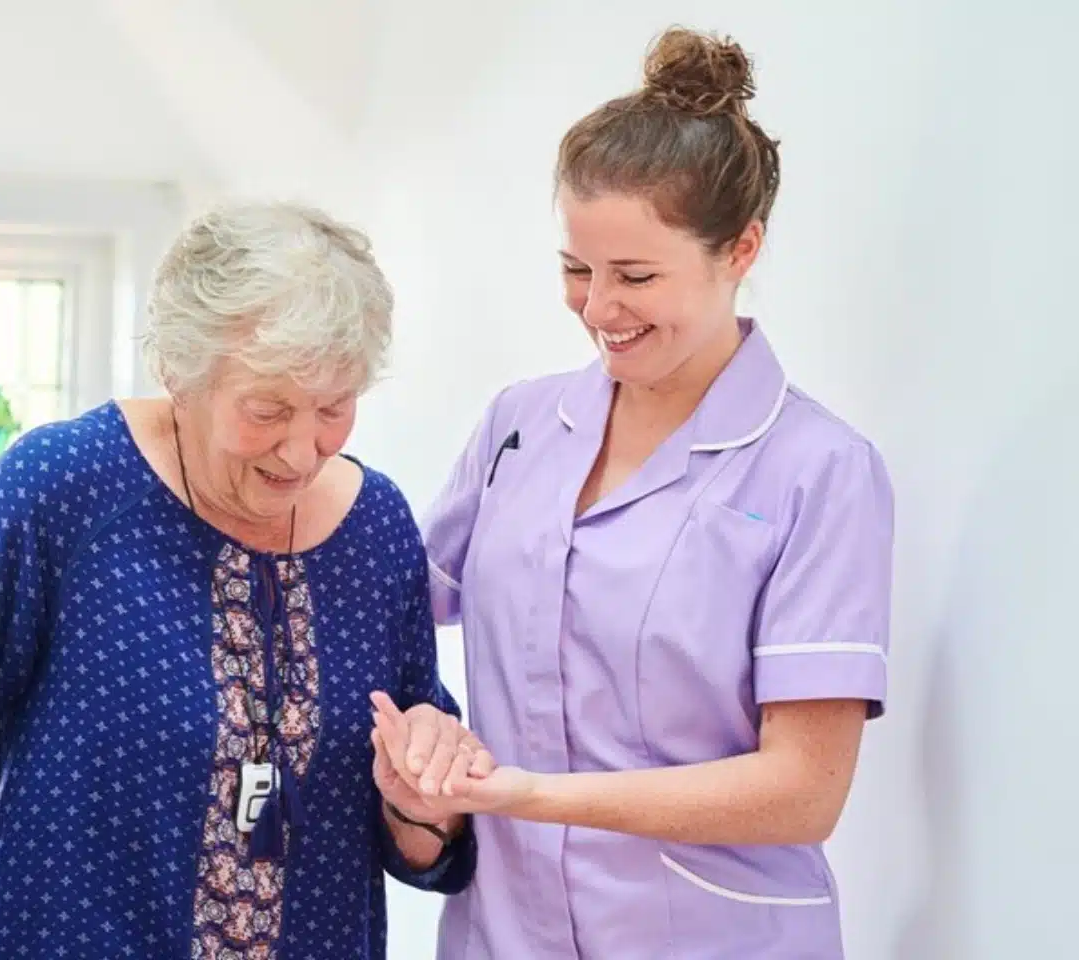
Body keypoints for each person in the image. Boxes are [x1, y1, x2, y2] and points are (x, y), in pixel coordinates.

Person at [0, 201, 485, 959]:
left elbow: (420, 821)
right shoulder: (63, 488)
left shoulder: (375, 526)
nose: (301, 450)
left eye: (333, 408)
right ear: (178, 373)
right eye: (267, 409)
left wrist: (429, 805)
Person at [371, 26, 895, 959]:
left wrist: (525, 794)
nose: (599, 308)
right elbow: (389, 599)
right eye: (577, 270)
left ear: (741, 248)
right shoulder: (520, 427)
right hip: (503, 933)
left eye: (637, 276)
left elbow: (803, 792)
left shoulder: (818, 470)